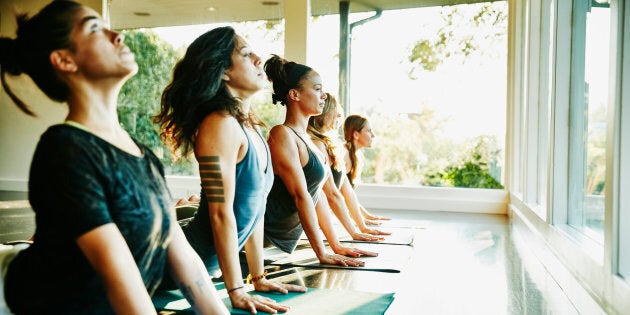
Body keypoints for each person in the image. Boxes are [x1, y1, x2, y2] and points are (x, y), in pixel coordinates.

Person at [0, 1, 228, 314]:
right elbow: (117, 274)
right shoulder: (66, 150)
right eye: (94, 28)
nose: (117, 35)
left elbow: (184, 258)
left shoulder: (142, 153)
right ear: (65, 59)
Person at [154, 27, 306, 314]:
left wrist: (257, 278)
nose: (260, 59)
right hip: (169, 261)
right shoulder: (219, 124)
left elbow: (256, 209)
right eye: (247, 55)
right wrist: (236, 290)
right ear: (223, 71)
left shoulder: (250, 129)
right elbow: (219, 212)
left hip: (201, 265)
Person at [263, 54, 377, 266]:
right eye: (317, 89)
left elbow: (320, 197)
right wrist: (321, 254)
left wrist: (336, 245)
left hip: (277, 246)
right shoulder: (281, 134)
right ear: (294, 94)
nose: (323, 95)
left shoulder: (307, 139)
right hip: (262, 239)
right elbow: (301, 196)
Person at [308, 93, 391, 233]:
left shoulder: (338, 150)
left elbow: (347, 191)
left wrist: (363, 223)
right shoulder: (337, 150)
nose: (340, 117)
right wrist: (356, 230)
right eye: (336, 113)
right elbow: (333, 194)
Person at [343, 114, 390, 224]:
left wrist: (368, 216)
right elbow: (339, 196)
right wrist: (362, 222)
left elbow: (348, 195)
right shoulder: (344, 155)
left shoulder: (354, 155)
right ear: (356, 134)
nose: (373, 135)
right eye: (369, 131)